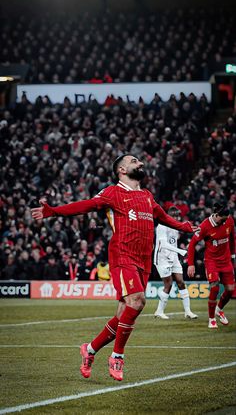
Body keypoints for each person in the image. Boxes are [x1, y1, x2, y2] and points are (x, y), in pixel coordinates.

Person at [31, 154, 196, 381]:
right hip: (122, 255)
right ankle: (117, 356)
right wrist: (53, 211)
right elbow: (86, 205)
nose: (140, 163)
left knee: (122, 315)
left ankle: (89, 350)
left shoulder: (147, 196)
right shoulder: (112, 192)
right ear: (121, 169)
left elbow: (163, 217)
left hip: (144, 260)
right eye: (134, 161)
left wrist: (185, 227)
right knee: (138, 301)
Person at [187, 202, 235, 329]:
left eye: (226, 220)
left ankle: (219, 309)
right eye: (222, 220)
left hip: (226, 260)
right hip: (211, 261)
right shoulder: (204, 226)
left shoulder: (229, 220)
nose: (225, 222)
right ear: (217, 215)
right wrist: (190, 264)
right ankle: (212, 319)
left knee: (230, 290)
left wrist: (233, 255)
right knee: (214, 288)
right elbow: (192, 244)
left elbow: (232, 237)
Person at [153, 206, 198, 320]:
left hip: (173, 258)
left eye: (178, 216)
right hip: (162, 258)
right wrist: (181, 251)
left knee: (181, 282)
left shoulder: (176, 227)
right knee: (168, 284)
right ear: (169, 216)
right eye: (175, 216)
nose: (177, 218)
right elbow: (163, 244)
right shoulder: (162, 226)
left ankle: (188, 311)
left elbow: (173, 243)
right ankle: (159, 311)